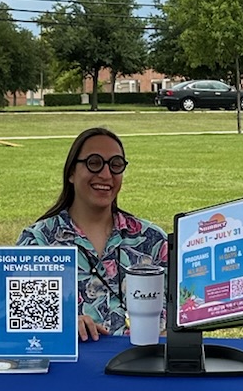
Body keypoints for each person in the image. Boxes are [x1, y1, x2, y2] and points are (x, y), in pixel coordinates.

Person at [18, 126, 167, 340]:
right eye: (94, 163)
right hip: (72, 368)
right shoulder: (38, 241)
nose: (106, 175)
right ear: (71, 172)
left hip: (143, 365)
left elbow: (181, 317)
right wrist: (62, 324)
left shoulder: (152, 240)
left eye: (115, 165)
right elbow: (20, 323)